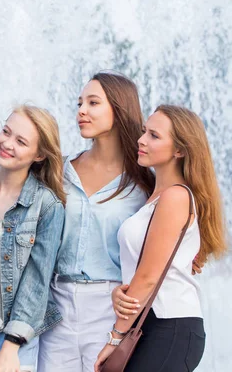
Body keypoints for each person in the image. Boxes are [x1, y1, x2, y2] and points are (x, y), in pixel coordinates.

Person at [37, 72, 155, 372]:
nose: (81, 111)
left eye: (93, 103)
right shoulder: (58, 171)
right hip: (56, 305)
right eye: (79, 103)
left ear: (119, 108)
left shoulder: (143, 183)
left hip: (111, 307)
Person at [95, 105, 227, 372]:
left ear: (179, 150)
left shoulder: (175, 197)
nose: (141, 140)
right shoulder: (155, 198)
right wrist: (120, 293)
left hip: (171, 326)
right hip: (154, 324)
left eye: (154, 135)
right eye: (144, 132)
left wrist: (115, 337)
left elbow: (148, 277)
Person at [0, 105, 65, 372]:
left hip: (14, 341)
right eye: (6, 132)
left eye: (21, 141)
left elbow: (37, 280)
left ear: (40, 154)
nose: (7, 143)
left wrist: (11, 346)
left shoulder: (47, 205)